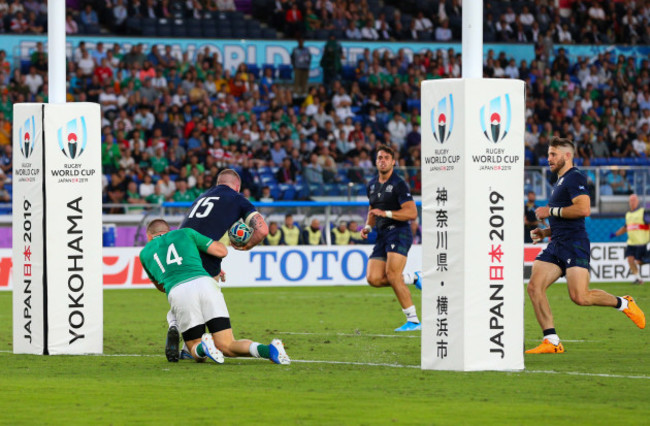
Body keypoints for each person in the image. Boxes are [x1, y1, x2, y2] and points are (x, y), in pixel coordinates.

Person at [527, 138, 645, 354]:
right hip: (557, 244)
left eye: (554, 154)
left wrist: (550, 211)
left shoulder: (575, 177)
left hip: (574, 244)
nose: (549, 158)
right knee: (534, 287)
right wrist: (545, 232)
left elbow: (584, 209)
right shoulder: (559, 182)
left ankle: (624, 303)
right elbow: (564, 218)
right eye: (549, 154)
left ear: (567, 156)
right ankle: (552, 341)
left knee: (580, 297)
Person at [163, 169, 287, 363]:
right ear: (237, 186)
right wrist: (246, 245)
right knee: (224, 340)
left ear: (218, 183)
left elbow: (188, 230)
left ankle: (178, 330)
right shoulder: (237, 199)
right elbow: (262, 230)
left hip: (184, 257)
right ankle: (188, 337)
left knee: (187, 299)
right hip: (205, 263)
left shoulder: (200, 198)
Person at [141, 219, 289, 365]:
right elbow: (221, 251)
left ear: (149, 236)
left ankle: (203, 345)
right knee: (227, 345)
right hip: (206, 283)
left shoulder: (145, 253)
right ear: (169, 230)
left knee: (194, 349)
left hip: (179, 290)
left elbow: (161, 287)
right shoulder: (186, 233)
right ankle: (270, 350)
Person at [360, 145, 422, 332]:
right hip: (381, 234)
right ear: (376, 161)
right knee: (373, 278)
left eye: (387, 157)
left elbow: (411, 212)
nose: (383, 160)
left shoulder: (399, 184)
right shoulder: (371, 184)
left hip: (399, 232)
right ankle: (413, 277)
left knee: (393, 276)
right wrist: (368, 226)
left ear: (393, 162)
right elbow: (373, 210)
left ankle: (413, 321)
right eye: (380, 157)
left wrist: (386, 213)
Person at [610, 194, 650, 285]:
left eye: (634, 200)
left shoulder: (643, 212)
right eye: (631, 200)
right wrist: (615, 234)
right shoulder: (628, 214)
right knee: (630, 260)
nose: (632, 202)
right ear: (629, 202)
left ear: (638, 201)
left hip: (641, 242)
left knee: (639, 262)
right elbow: (626, 227)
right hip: (631, 242)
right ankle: (638, 279)